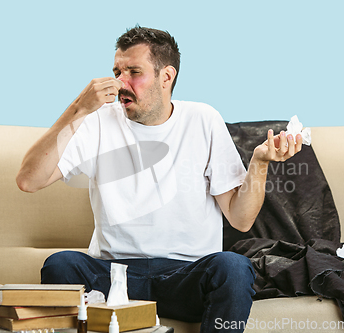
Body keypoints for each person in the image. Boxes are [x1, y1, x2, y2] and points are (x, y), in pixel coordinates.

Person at [16, 26, 302, 333]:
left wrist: (259, 163)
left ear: (166, 77)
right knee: (60, 264)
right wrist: (77, 109)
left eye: (134, 72)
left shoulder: (203, 119)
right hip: (114, 278)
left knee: (233, 267)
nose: (120, 83)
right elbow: (29, 181)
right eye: (117, 72)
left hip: (186, 276)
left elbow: (241, 218)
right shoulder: (97, 121)